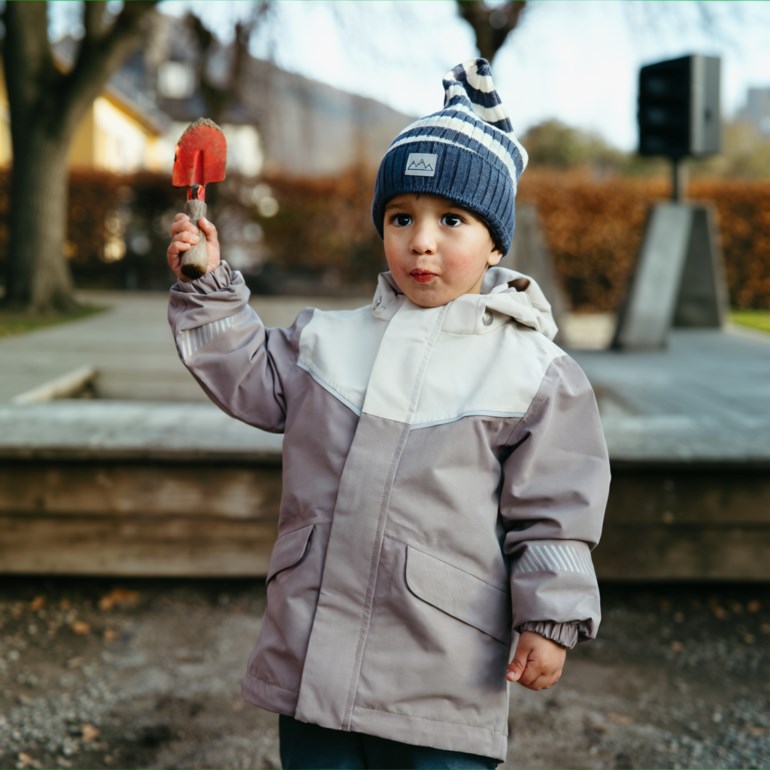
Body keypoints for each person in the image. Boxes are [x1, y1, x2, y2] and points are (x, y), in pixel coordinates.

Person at [167, 58, 610, 770]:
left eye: (452, 220)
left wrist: (549, 617)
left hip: (440, 676)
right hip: (314, 657)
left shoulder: (533, 373)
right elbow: (249, 374)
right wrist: (210, 287)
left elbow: (556, 512)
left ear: (496, 242)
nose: (422, 240)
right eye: (401, 217)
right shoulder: (328, 342)